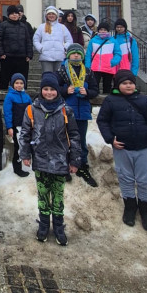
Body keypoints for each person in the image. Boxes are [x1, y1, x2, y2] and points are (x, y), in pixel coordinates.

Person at [96, 69, 147, 231]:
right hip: (122, 147)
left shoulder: (144, 100)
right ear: (117, 85)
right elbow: (102, 121)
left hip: (144, 147)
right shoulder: (110, 101)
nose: (128, 86)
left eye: (131, 83)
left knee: (145, 179)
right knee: (125, 177)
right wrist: (110, 139)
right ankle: (130, 206)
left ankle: (146, 210)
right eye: (124, 83)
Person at [19, 71, 82, 246]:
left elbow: (74, 136)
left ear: (57, 91)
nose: (49, 92)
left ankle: (59, 226)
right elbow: (25, 133)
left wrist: (75, 160)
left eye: (52, 89)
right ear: (41, 90)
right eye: (45, 89)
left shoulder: (66, 110)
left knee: (58, 195)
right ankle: (44, 224)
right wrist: (25, 154)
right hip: (40, 159)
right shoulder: (31, 110)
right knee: (43, 194)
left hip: (61, 160)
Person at [57, 44, 99, 187]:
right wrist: (65, 90)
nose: (76, 56)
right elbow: (54, 88)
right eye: (73, 53)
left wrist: (87, 93)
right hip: (67, 110)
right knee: (65, 138)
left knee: (81, 140)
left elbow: (95, 89)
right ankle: (65, 165)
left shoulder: (87, 71)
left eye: (78, 53)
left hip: (83, 111)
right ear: (68, 55)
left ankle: (82, 165)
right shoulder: (62, 71)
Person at [0, 5, 34, 88]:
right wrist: (1, 53)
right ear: (8, 15)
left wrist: (29, 55)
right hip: (7, 58)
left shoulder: (23, 26)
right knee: (4, 81)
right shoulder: (3, 25)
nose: (14, 15)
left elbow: (28, 41)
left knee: (21, 80)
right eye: (12, 13)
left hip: (22, 58)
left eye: (16, 13)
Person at [3, 73, 32, 177]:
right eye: (17, 83)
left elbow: (31, 111)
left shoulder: (27, 97)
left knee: (26, 145)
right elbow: (7, 112)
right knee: (18, 147)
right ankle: (17, 168)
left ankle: (27, 164)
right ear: (12, 84)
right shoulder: (10, 96)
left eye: (21, 83)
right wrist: (9, 127)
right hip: (16, 127)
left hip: (27, 126)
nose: (19, 85)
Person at [33, 6, 74, 73]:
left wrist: (64, 48)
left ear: (56, 15)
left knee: (59, 77)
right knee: (47, 77)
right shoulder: (41, 27)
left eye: (53, 14)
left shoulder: (62, 27)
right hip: (46, 57)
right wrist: (41, 48)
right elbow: (35, 40)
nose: (51, 16)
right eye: (49, 14)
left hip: (60, 57)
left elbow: (69, 40)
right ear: (46, 15)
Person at [85, 21, 116, 94]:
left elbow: (118, 53)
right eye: (101, 29)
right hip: (96, 67)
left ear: (108, 31)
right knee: (95, 85)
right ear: (98, 30)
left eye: (105, 30)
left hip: (108, 67)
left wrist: (113, 62)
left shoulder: (113, 41)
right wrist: (87, 66)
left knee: (107, 86)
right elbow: (88, 54)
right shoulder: (93, 40)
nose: (103, 31)